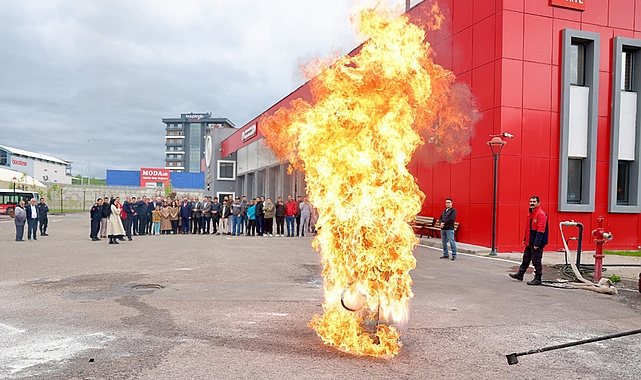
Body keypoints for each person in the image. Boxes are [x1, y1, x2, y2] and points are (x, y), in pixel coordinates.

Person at [510, 196, 549, 286]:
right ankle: (520, 274)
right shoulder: (531, 213)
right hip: (530, 240)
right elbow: (528, 229)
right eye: (531, 201)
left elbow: (541, 230)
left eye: (534, 201)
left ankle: (538, 278)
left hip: (536, 241)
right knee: (526, 258)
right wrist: (525, 239)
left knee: (536, 260)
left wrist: (537, 243)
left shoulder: (540, 214)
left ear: (538, 203)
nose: (532, 203)